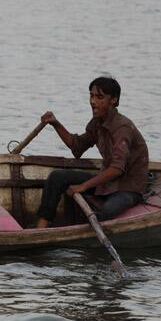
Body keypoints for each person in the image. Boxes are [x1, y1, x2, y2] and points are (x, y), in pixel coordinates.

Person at [36, 77, 149, 228]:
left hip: (128, 188)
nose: (93, 101)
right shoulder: (96, 123)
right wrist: (56, 124)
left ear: (114, 100)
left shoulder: (122, 127)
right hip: (107, 183)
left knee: (106, 212)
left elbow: (116, 169)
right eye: (91, 96)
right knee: (57, 177)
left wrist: (84, 186)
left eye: (99, 97)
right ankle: (41, 228)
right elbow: (76, 147)